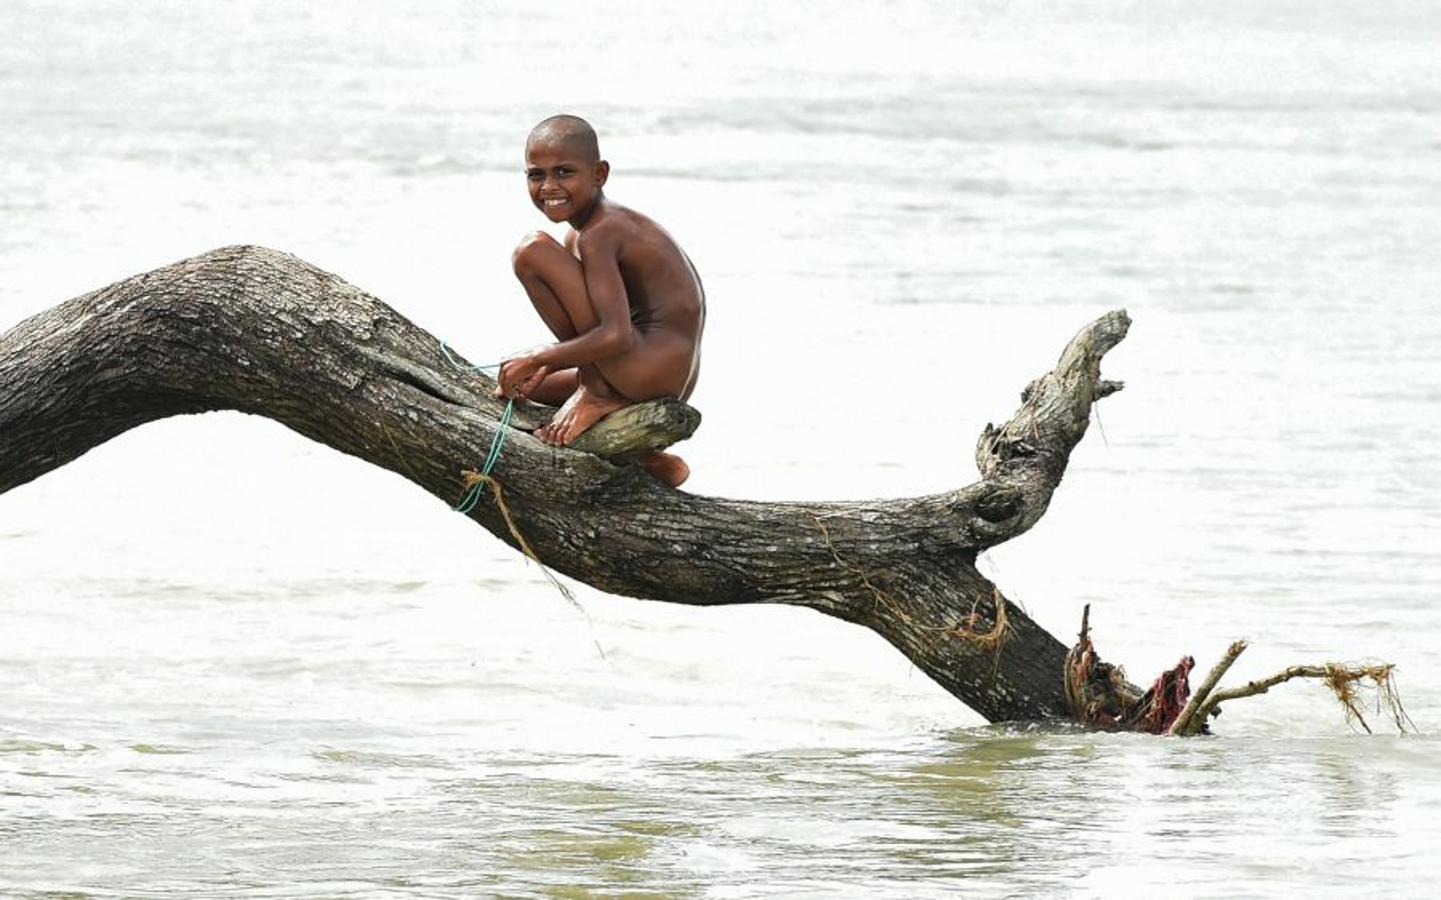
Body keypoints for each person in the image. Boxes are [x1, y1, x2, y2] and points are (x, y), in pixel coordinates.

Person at [497, 115, 705, 488]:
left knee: (531, 251)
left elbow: (616, 335)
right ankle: (648, 458)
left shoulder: (602, 232)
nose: (549, 186)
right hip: (665, 377)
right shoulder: (581, 236)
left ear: (599, 174)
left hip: (650, 367)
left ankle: (597, 392)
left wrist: (540, 357)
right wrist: (543, 365)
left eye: (563, 172)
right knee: (524, 389)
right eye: (536, 175)